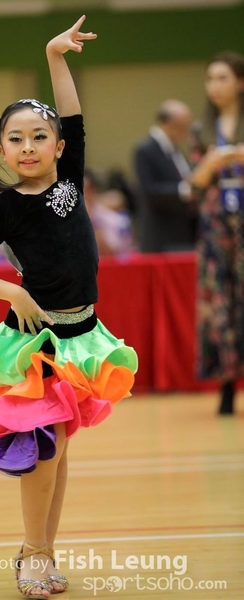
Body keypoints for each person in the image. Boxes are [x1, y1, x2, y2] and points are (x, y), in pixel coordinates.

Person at [0, 16, 138, 599]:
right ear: (1, 148)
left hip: (81, 334)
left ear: (59, 146)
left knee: (57, 453)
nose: (28, 146)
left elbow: (72, 113)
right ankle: (32, 555)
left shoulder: (70, 180)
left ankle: (43, 553)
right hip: (39, 343)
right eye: (17, 138)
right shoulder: (7, 208)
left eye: (39, 136)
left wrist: (56, 57)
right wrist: (14, 292)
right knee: (44, 453)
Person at [189, 51, 244, 416]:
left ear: (240, 82)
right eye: (210, 78)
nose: (215, 86)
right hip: (216, 229)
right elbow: (194, 186)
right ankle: (226, 385)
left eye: (222, 78)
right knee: (221, 303)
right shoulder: (202, 131)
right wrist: (211, 163)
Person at [133, 99, 199, 253]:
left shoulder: (176, 149)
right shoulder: (145, 150)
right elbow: (150, 191)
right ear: (169, 124)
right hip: (160, 236)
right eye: (183, 126)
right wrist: (187, 191)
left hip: (182, 233)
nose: (186, 132)